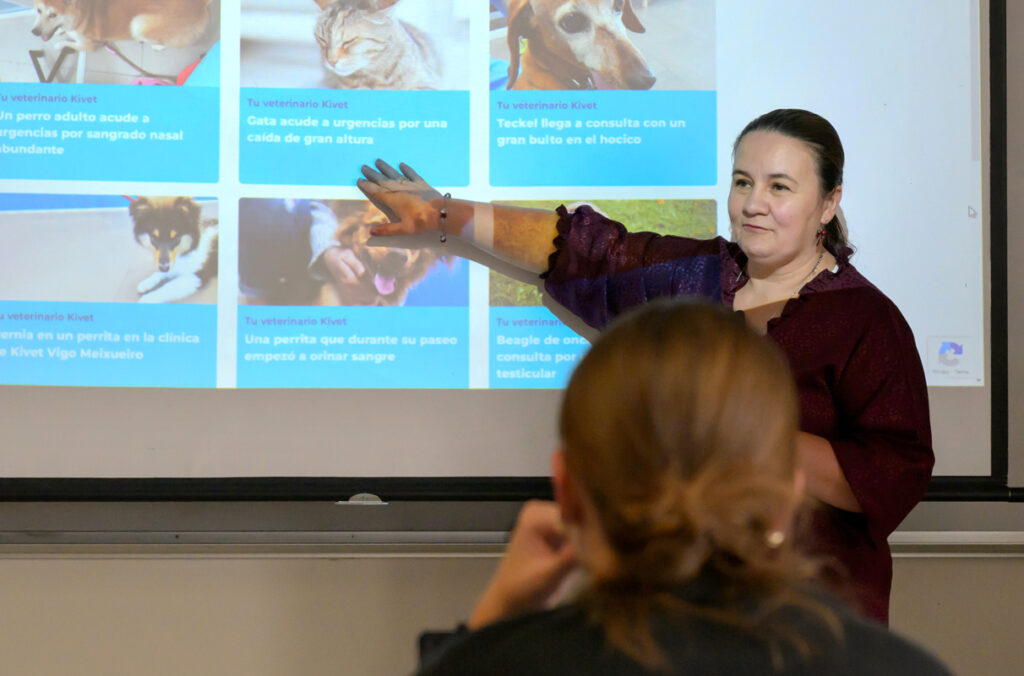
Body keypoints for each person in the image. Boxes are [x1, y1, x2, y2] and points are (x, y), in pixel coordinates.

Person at [357, 109, 934, 625]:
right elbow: (588, 250)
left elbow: (891, 471)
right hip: (675, 612)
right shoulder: (697, 274)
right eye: (742, 182)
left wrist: (741, 428)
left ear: (828, 204)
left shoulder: (867, 320)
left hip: (813, 619)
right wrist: (442, 214)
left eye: (779, 186)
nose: (753, 203)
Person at [416, 300, 949, 675]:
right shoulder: (902, 670)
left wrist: (486, 628)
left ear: (567, 492)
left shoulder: (496, 666)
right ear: (787, 500)